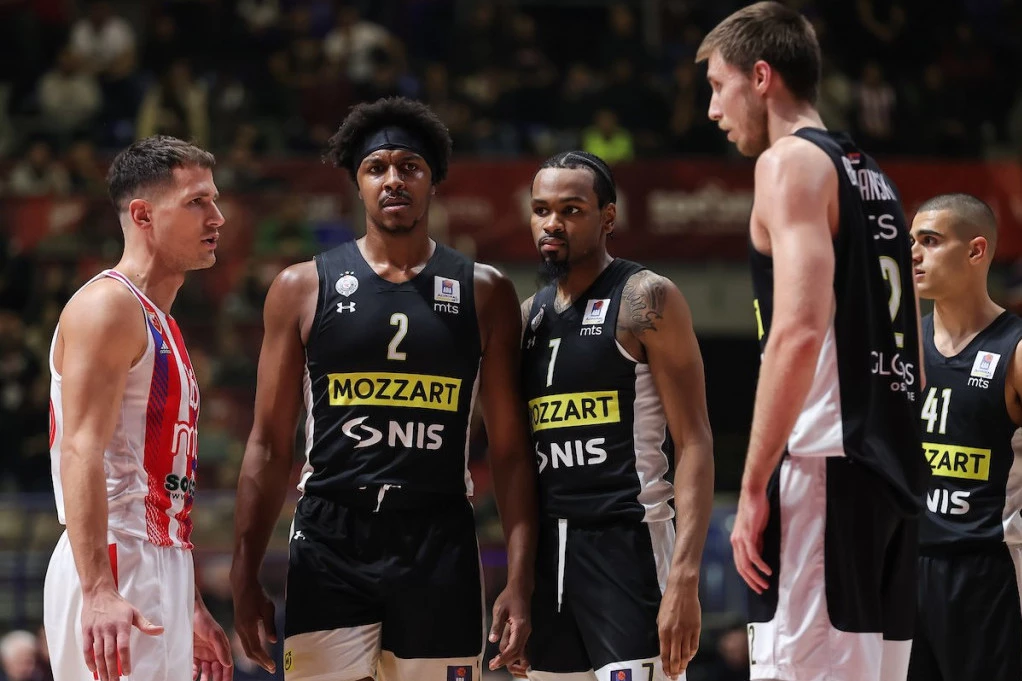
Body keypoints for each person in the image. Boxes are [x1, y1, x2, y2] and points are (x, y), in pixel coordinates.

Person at [229, 96, 538, 681]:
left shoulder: (485, 291)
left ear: (433, 181)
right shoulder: (300, 287)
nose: (393, 179)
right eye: (377, 168)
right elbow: (268, 444)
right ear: (357, 182)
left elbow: (511, 451)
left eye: (410, 167)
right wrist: (244, 573)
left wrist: (521, 580)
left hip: (437, 535)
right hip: (330, 534)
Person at [698, 3, 927, 681]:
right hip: (891, 475)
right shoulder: (871, 174)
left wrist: (753, 483)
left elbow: (797, 331)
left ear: (760, 77)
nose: (713, 109)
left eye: (718, 86)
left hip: (825, 465)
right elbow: (913, 348)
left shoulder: (788, 163)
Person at [515, 150, 714, 681]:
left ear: (608, 217)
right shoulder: (529, 317)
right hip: (549, 559)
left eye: (571, 210)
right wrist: (517, 585)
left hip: (629, 546)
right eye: (541, 209)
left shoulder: (646, 298)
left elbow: (694, 441)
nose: (552, 223)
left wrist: (685, 579)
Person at [42, 135, 233, 681]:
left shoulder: (160, 320)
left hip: (158, 557)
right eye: (196, 202)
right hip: (114, 557)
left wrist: (188, 599)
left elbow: (160, 480)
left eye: (214, 200)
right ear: (143, 215)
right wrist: (98, 589)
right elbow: (81, 450)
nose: (216, 217)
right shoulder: (108, 306)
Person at [907, 193, 1022, 681]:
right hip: (906, 571)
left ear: (976, 251)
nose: (914, 254)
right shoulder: (902, 348)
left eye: (930, 241)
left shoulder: (1015, 349)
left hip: (989, 573)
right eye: (911, 242)